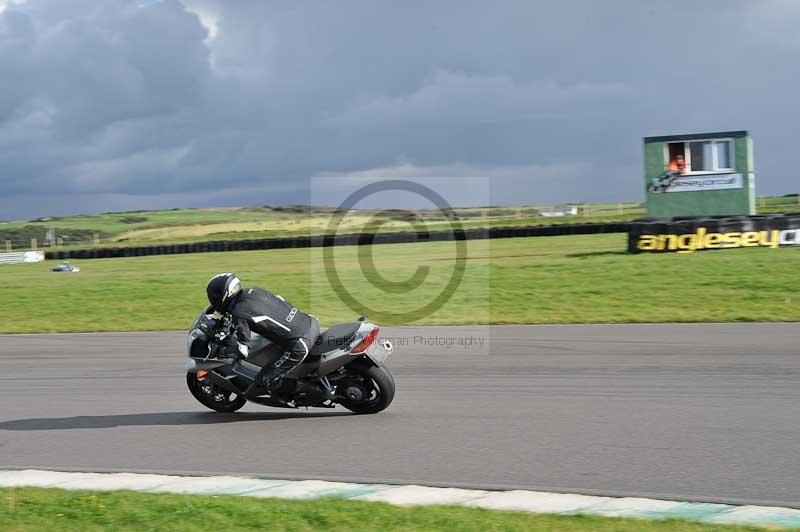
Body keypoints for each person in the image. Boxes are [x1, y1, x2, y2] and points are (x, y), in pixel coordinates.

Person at [206, 273, 320, 395]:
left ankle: (314, 392)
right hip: (310, 321)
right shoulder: (253, 291)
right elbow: (279, 299)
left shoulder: (239, 314)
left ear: (222, 296)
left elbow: (243, 351)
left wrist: (221, 351)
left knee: (264, 380)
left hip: (299, 343)